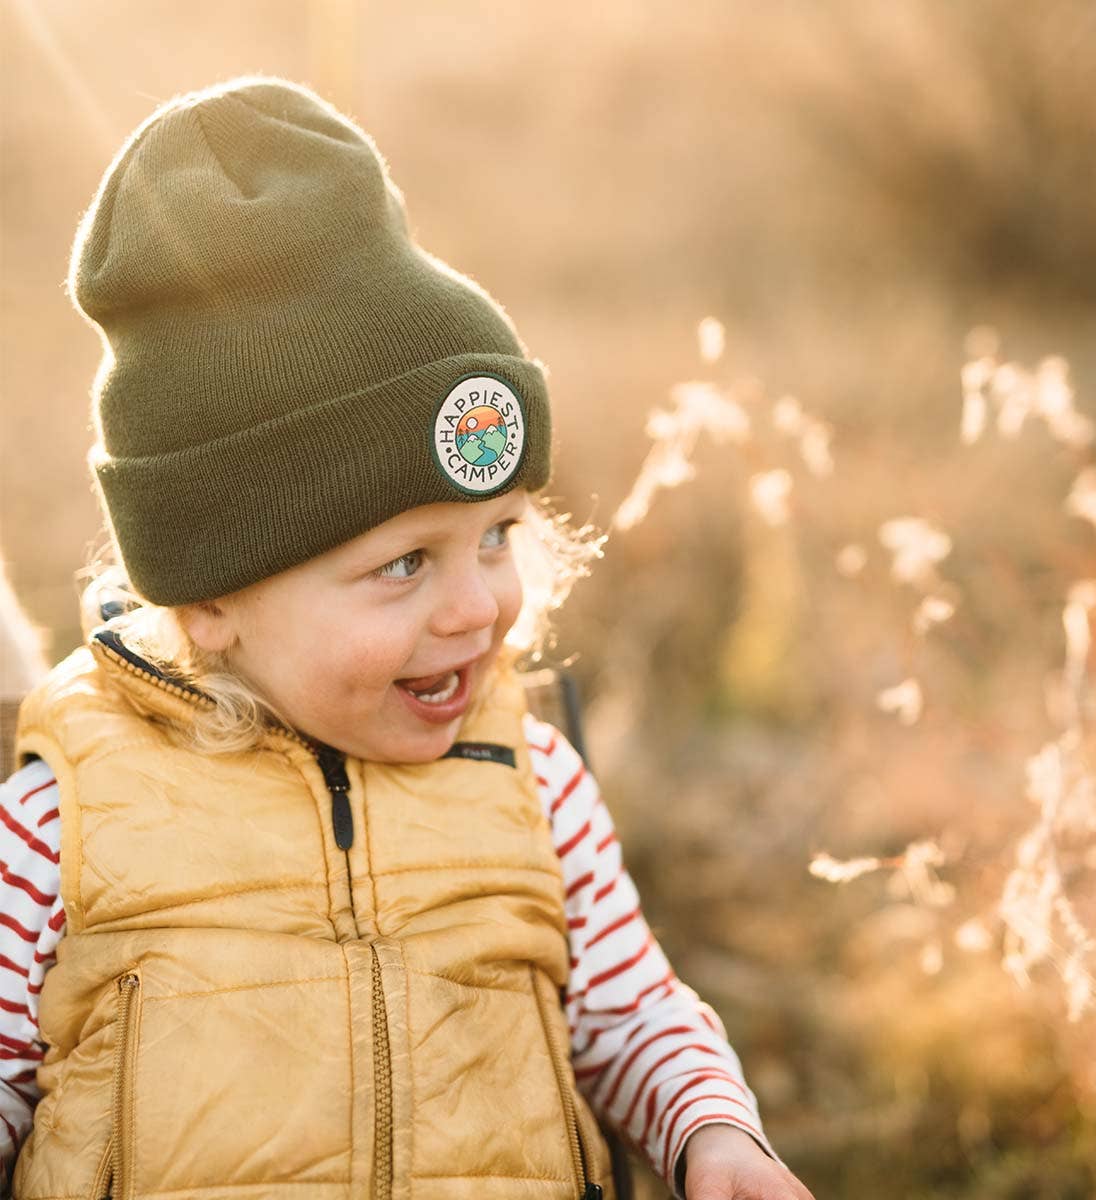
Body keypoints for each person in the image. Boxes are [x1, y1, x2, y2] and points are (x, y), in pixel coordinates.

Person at [0, 78, 813, 1200]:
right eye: (402, 563)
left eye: (496, 537)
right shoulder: (67, 823)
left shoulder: (532, 785)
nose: (477, 606)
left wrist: (711, 1133)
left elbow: (628, 1015)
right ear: (210, 598)